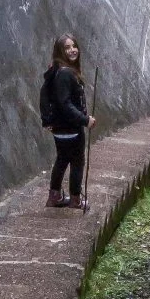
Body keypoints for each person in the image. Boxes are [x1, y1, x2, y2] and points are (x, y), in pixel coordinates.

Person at [40, 33, 95, 209]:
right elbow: (65, 104)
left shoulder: (55, 70)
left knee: (62, 159)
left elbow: (46, 96)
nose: (72, 50)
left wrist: (47, 120)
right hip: (71, 127)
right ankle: (75, 199)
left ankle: (54, 196)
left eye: (73, 46)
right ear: (60, 52)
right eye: (67, 48)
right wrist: (85, 120)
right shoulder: (66, 74)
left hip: (59, 128)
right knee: (77, 162)